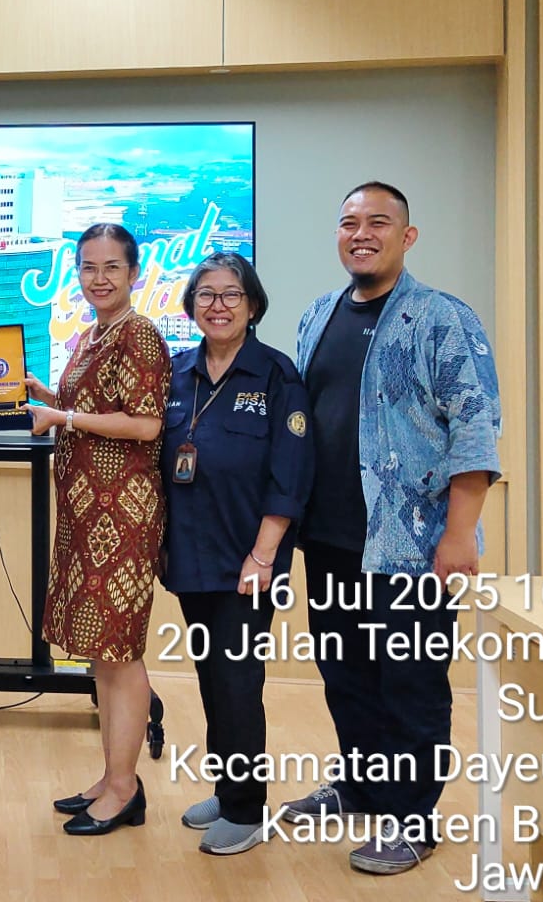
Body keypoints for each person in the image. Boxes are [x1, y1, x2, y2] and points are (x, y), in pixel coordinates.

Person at [282, 182, 500, 875]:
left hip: (414, 547)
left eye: (378, 222)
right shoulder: (317, 316)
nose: (362, 233)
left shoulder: (443, 319)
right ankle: (361, 786)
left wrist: (459, 535)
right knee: (346, 675)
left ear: (407, 237)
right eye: (349, 222)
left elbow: (475, 430)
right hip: (331, 540)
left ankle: (413, 819)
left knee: (411, 682)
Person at [159, 252, 312, 854]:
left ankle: (247, 810)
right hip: (190, 557)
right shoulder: (178, 372)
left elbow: (291, 475)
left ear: (252, 306)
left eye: (231, 295)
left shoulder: (277, 375)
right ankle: (227, 792)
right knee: (211, 677)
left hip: (249, 562)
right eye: (206, 294)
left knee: (238, 681)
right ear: (191, 305)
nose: (217, 305)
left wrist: (264, 555)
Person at [25, 223, 170, 836]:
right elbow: (86, 408)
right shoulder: (91, 334)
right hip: (86, 514)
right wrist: (44, 395)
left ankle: (125, 789)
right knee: (102, 657)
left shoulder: (140, 334)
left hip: (124, 516)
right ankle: (112, 778)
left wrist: (62, 415)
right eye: (88, 267)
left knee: (122, 653)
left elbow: (145, 425)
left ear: (134, 273)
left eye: (112, 267)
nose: (99, 278)